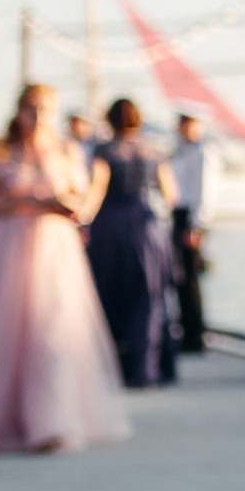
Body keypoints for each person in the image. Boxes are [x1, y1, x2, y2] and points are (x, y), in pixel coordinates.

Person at [0, 83, 130, 454]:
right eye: (32, 108)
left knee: (53, 330)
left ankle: (52, 421)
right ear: (19, 111)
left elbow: (79, 203)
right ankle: (1, 416)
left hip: (55, 250)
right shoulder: (3, 153)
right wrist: (25, 200)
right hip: (10, 247)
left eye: (45, 109)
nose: (38, 116)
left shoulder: (67, 151)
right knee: (7, 331)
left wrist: (64, 202)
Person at [84, 99, 177, 388]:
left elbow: (96, 192)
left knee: (109, 293)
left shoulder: (105, 151)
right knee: (148, 296)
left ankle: (114, 366)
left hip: (111, 227)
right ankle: (146, 367)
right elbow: (171, 194)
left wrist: (80, 220)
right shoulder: (153, 150)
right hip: (146, 228)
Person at [167, 108, 218, 359]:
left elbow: (205, 192)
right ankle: (187, 331)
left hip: (190, 218)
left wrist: (197, 226)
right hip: (179, 215)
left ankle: (195, 336)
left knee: (191, 280)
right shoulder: (181, 151)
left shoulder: (202, 152)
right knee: (181, 279)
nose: (183, 128)